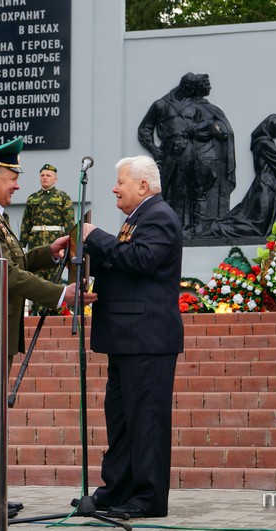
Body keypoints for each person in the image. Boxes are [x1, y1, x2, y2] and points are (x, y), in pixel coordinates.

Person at [0, 137, 97, 519]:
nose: (18, 184)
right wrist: (61, 294)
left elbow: (11, 262)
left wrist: (47, 253)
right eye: (13, 176)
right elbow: (8, 276)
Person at [81, 155, 183, 518]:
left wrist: (96, 238)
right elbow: (127, 265)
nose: (114, 188)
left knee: (147, 421)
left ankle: (148, 498)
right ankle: (117, 489)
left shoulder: (159, 216)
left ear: (142, 185)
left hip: (148, 339)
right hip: (128, 337)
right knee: (122, 420)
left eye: (120, 182)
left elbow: (141, 259)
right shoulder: (139, 218)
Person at [137, 72, 235, 239]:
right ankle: (163, 228)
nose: (192, 93)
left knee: (188, 192)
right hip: (170, 151)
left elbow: (206, 125)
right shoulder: (161, 105)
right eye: (190, 90)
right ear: (184, 87)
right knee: (166, 190)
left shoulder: (194, 106)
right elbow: (144, 129)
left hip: (190, 152)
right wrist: (154, 149)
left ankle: (188, 228)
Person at [19, 163, 75, 280]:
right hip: (35, 243)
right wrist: (22, 245)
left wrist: (70, 246)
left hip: (55, 242)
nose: (45, 177)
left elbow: (69, 223)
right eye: (42, 175)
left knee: (54, 279)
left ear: (55, 179)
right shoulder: (32, 198)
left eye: (48, 175)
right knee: (34, 279)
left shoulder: (63, 197)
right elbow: (26, 223)